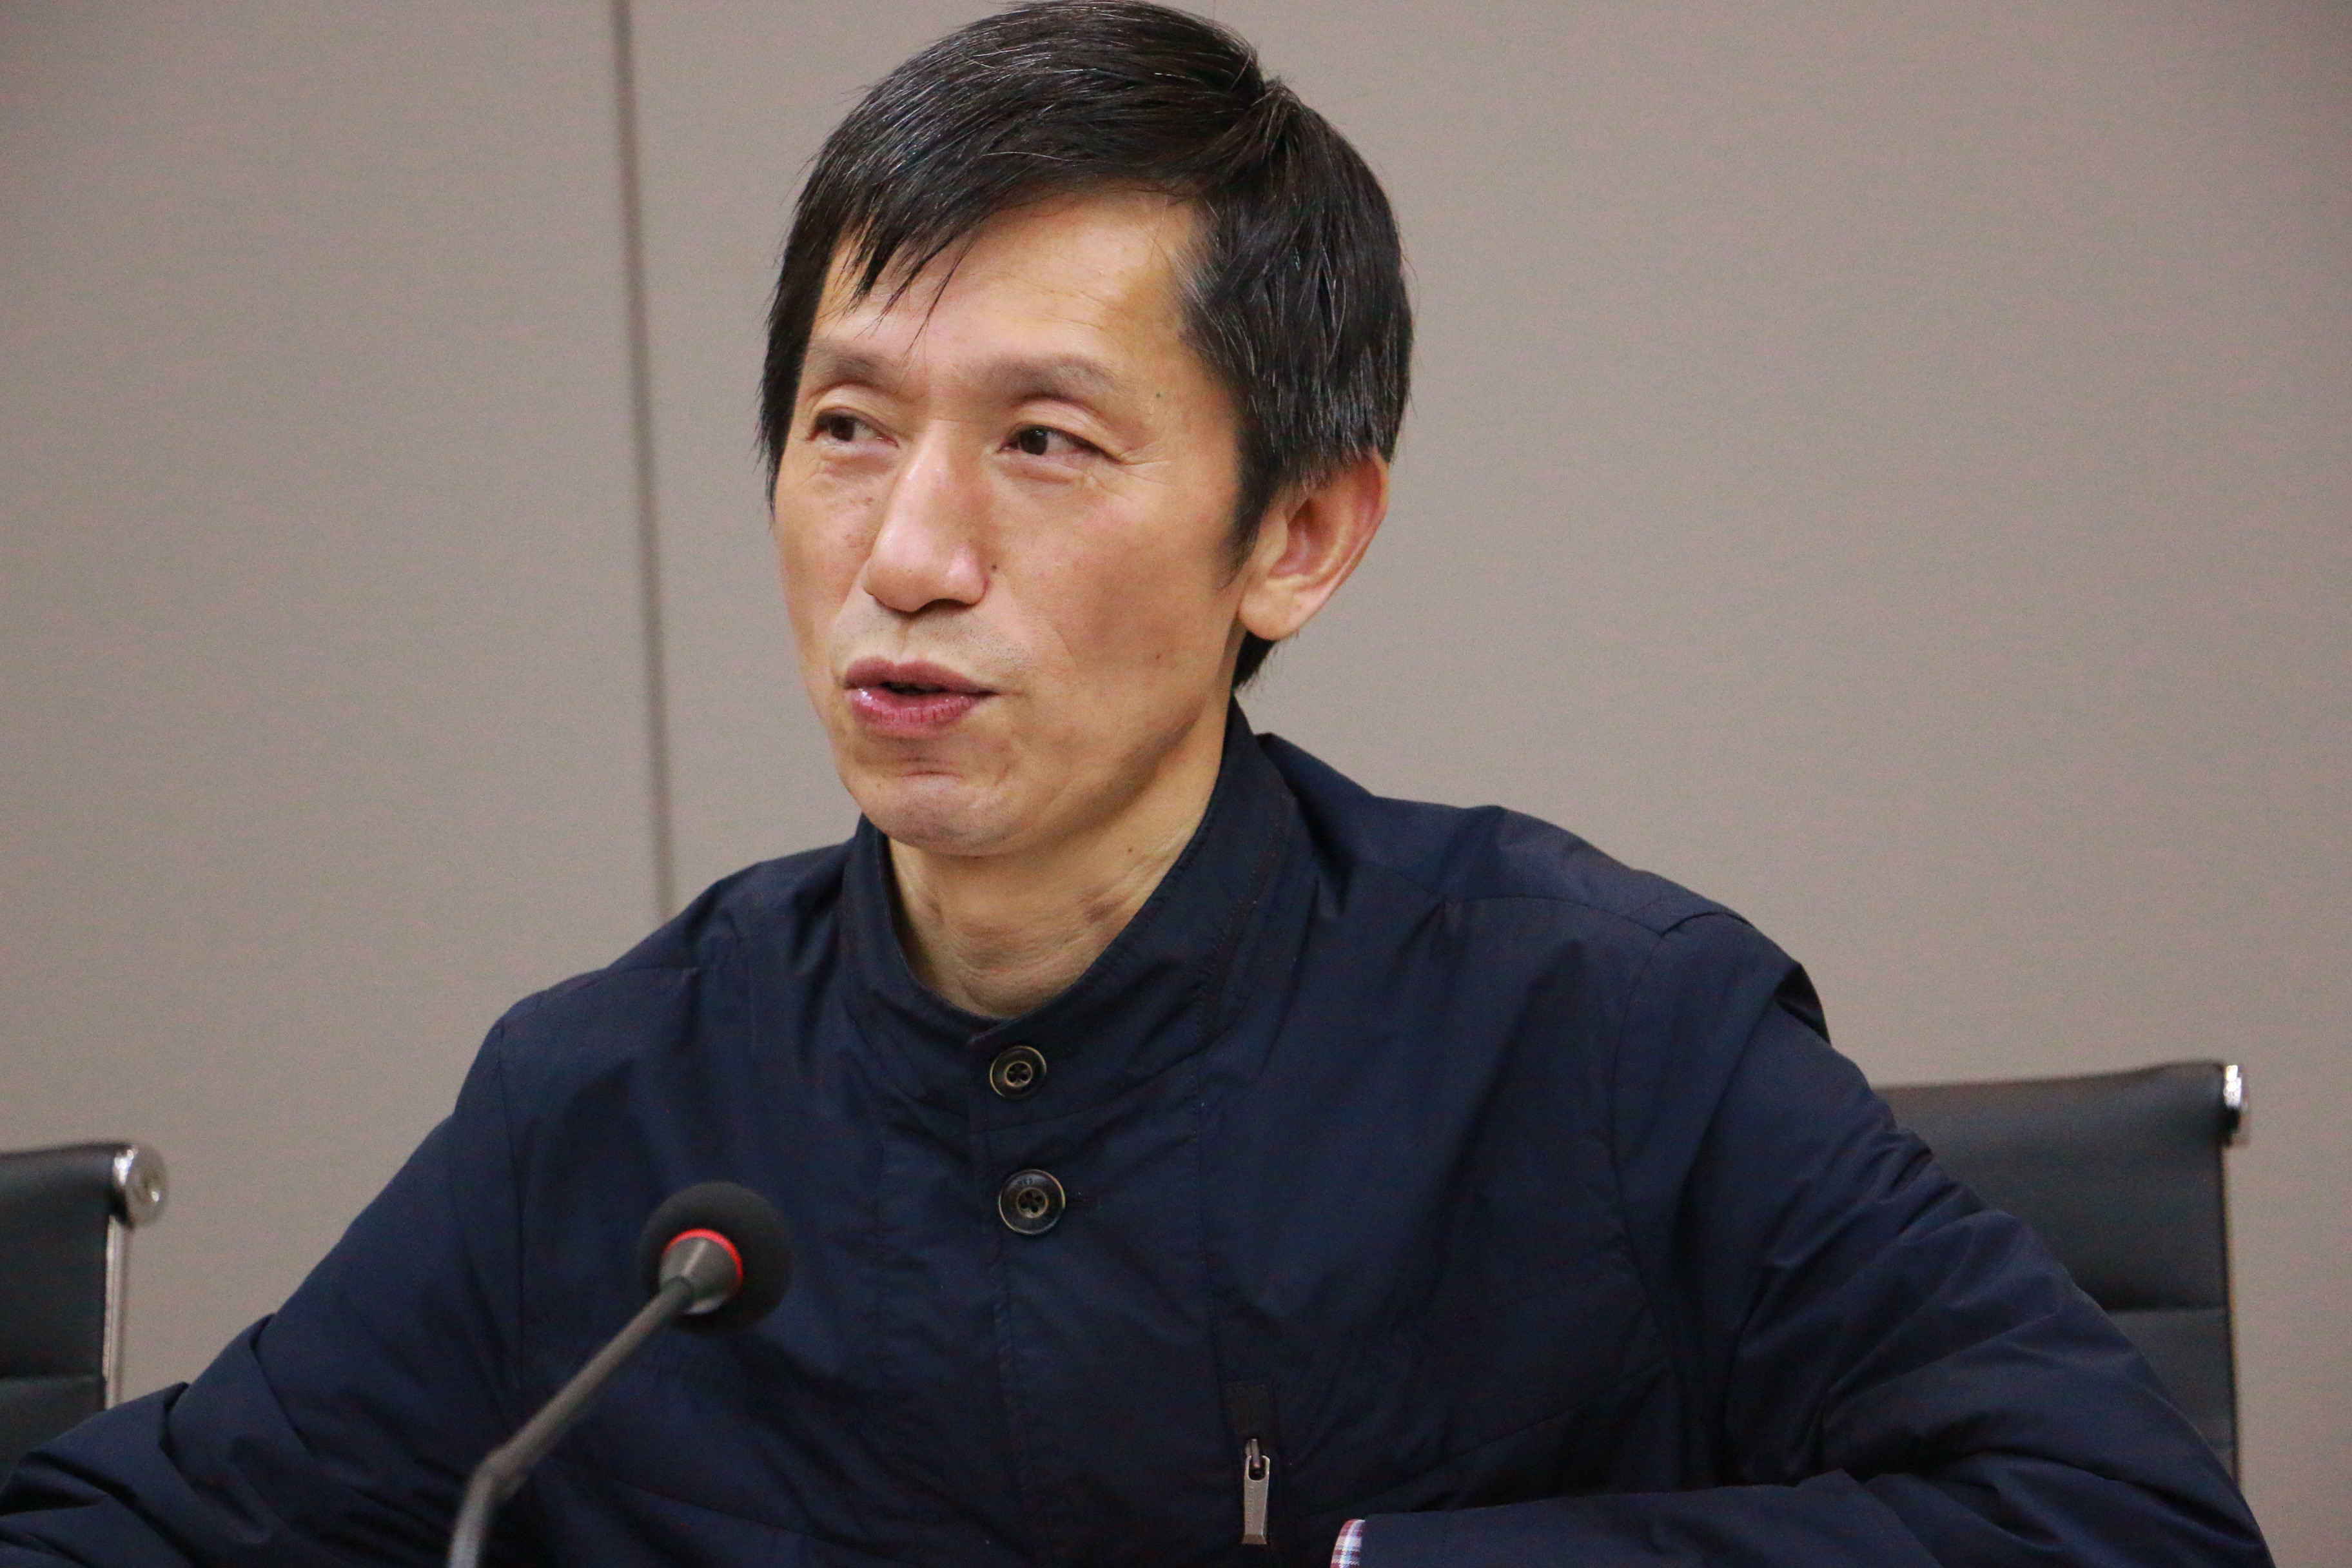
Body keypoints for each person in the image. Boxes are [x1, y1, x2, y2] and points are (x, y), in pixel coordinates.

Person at [0, 4, 2270, 1565]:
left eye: (1045, 441)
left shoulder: (1599, 1031)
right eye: (847, 425)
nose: (907, 552)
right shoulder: (608, 1105)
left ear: (1301, 535)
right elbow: (129, 1529)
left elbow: (2124, 1519)